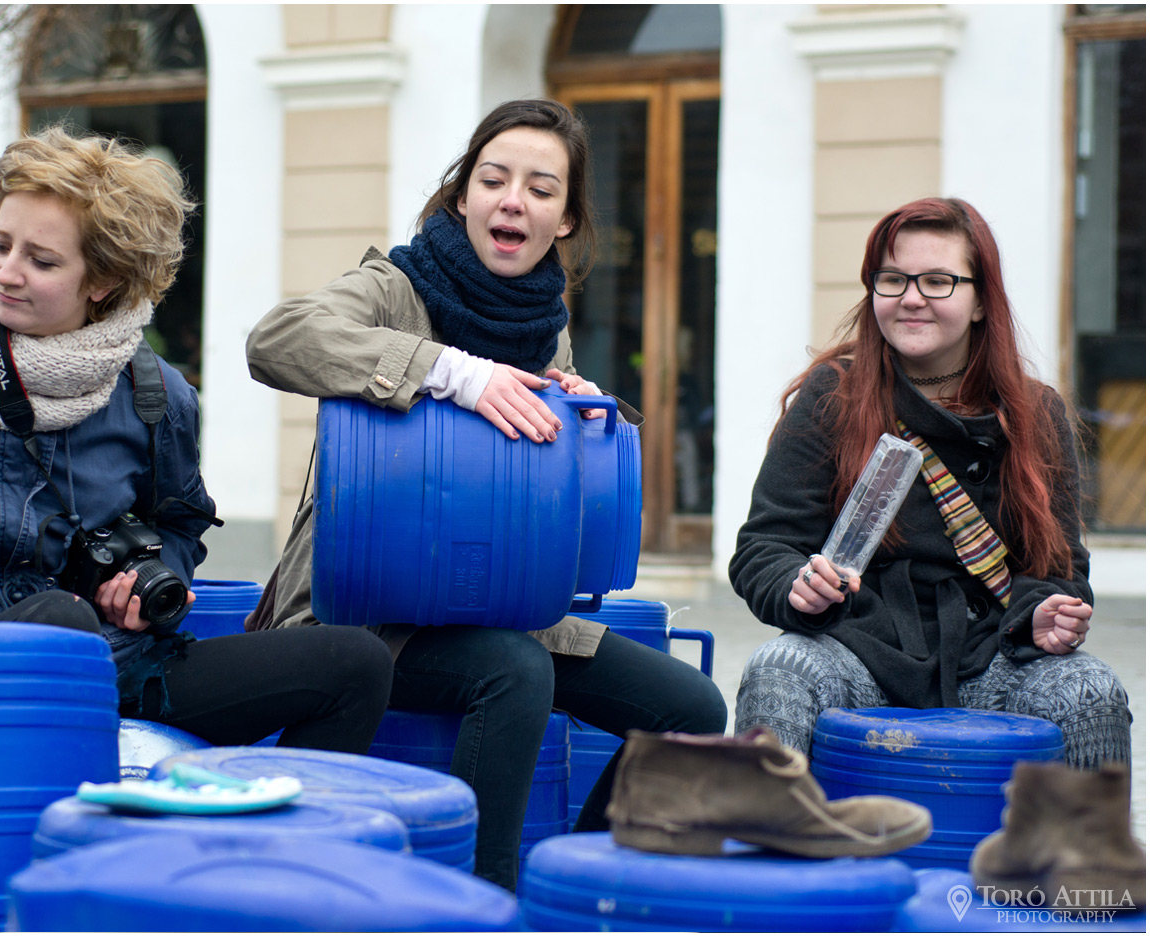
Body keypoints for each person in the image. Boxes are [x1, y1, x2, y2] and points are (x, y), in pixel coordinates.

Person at [0, 128, 392, 753]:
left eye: (41, 260)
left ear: (103, 281)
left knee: (356, 662)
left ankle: (282, 824)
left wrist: (145, 582)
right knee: (60, 623)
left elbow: (181, 522)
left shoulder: (157, 395)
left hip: (119, 663)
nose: (6, 272)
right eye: (0, 243)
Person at [246, 98, 727, 891]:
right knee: (514, 672)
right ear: (462, 194)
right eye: (494, 179)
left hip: (499, 606)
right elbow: (277, 340)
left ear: (565, 220)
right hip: (365, 618)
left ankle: (575, 888)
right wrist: (452, 374)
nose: (514, 201)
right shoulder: (392, 286)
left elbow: (556, 495)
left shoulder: (545, 328)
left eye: (541, 189)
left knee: (692, 709)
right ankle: (478, 900)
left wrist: (583, 423)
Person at [729, 197, 1131, 768]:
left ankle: (1089, 834)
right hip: (860, 648)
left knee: (1091, 691)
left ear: (981, 301)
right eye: (893, 279)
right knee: (780, 669)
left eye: (938, 281)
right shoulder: (832, 396)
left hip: (994, 655)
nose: (912, 298)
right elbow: (763, 549)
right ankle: (766, 826)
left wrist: (1044, 616)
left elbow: (1062, 570)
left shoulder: (1035, 413)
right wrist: (798, 587)